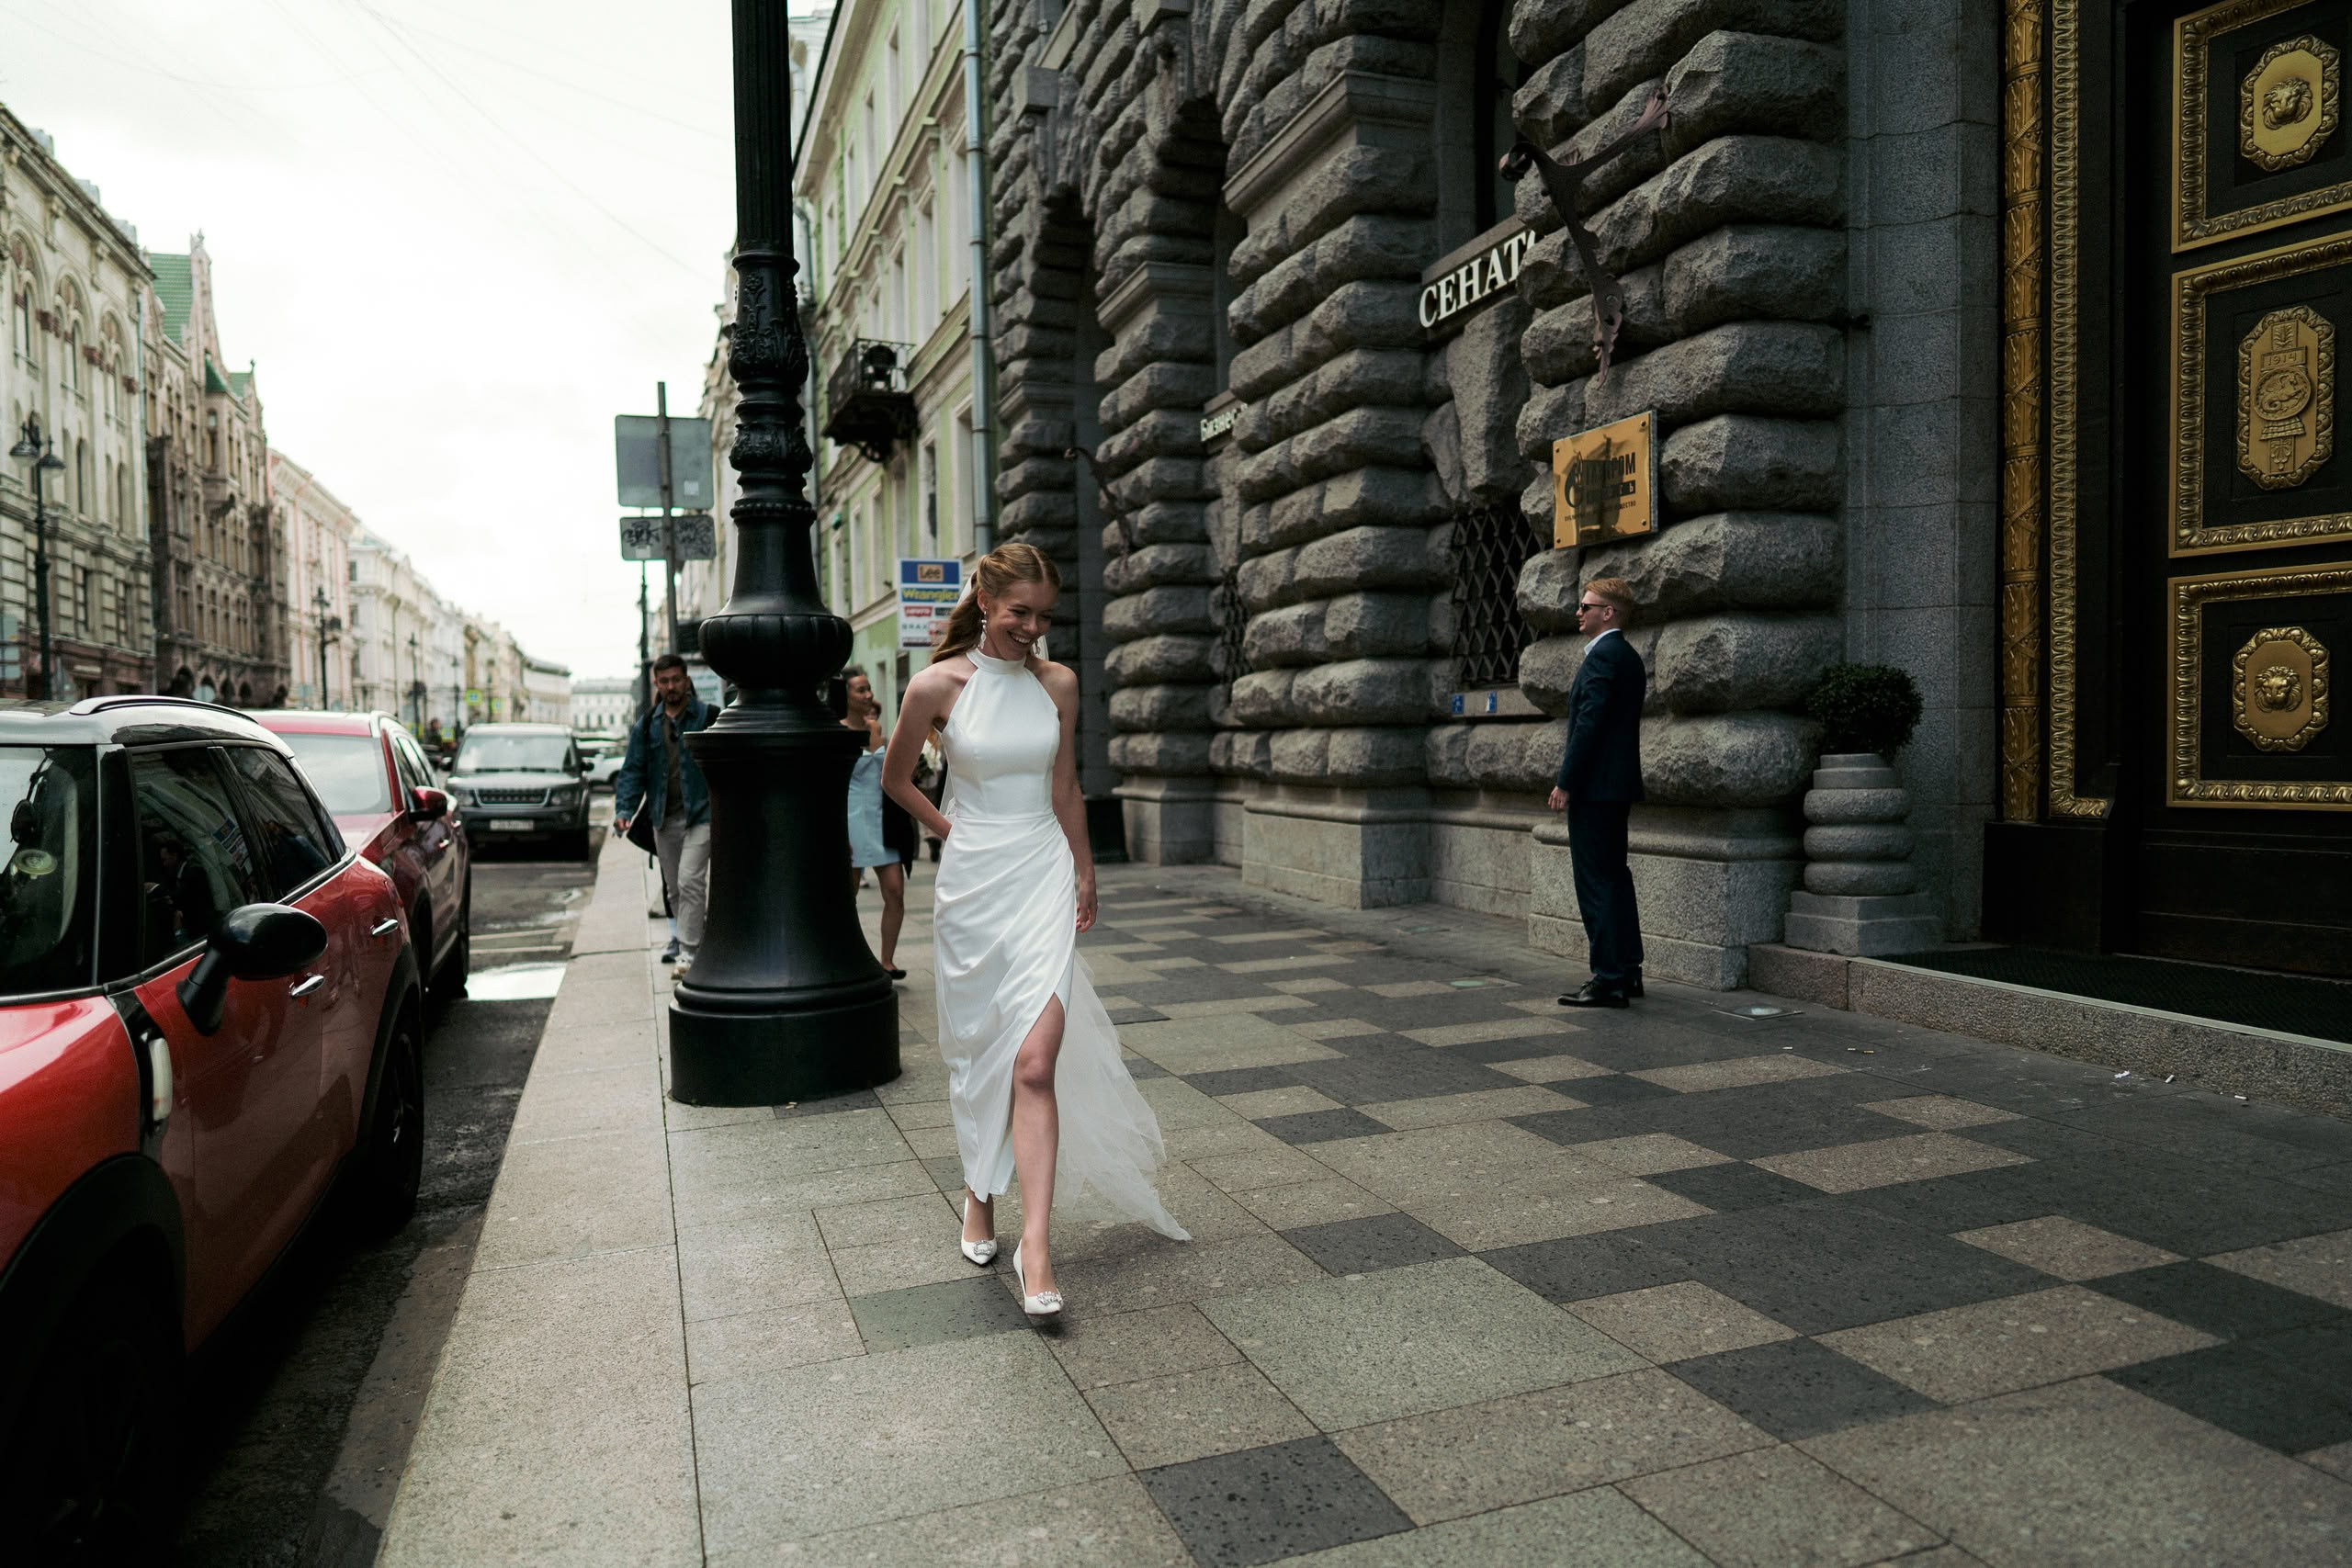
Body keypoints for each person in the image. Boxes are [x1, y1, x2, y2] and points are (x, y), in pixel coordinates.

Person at [881, 542, 1187, 1323]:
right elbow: (897, 778)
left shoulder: (1060, 684)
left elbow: (1067, 787)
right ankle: (978, 1194)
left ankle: (1037, 1246)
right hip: (974, 883)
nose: (1033, 628)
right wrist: (952, 826)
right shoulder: (935, 685)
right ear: (985, 601)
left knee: (1034, 1060)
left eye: (1045, 615)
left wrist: (1085, 870)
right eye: (1020, 612)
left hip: (1043, 875)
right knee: (978, 1050)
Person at [1548, 575, 1646, 1008]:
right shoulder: (1626, 656)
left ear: (1608, 613)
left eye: (1586, 606)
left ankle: (1608, 979)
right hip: (1614, 788)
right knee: (1615, 878)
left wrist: (1566, 782)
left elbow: (1588, 726)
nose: (1578, 611)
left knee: (1597, 884)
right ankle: (1627, 971)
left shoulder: (1604, 657)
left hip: (1595, 790)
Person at [615, 654, 714, 969]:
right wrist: (624, 809)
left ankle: (689, 951)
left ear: (686, 680)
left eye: (676, 680)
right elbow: (632, 770)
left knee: (690, 880)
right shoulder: (647, 726)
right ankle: (699, 936)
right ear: (657, 683)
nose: (671, 686)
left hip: (702, 815)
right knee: (674, 889)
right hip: (663, 818)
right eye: (664, 681)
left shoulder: (709, 717)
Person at [842, 667, 907, 980]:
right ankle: (848, 956)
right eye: (860, 690)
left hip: (882, 818)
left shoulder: (876, 727)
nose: (868, 695)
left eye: (869, 689)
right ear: (845, 696)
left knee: (895, 891)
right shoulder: (835, 731)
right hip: (850, 819)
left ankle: (887, 962)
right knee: (847, 895)